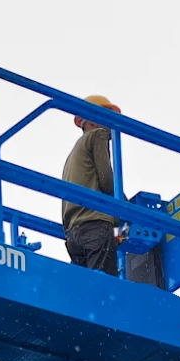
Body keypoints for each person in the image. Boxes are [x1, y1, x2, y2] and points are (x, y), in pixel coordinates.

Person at [61, 96, 122, 274]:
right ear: (92, 120)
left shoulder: (72, 155)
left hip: (74, 235)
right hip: (95, 225)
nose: (110, 125)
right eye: (106, 117)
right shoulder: (97, 135)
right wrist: (127, 209)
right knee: (104, 287)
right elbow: (106, 180)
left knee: (87, 286)